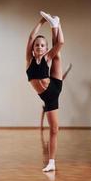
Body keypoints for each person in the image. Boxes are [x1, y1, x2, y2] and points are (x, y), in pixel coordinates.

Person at [26, 11, 64, 172]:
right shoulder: (29, 61)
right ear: (33, 48)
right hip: (49, 98)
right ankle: (53, 23)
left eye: (42, 45)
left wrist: (56, 26)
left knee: (58, 54)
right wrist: (42, 21)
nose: (39, 47)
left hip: (54, 88)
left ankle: (56, 24)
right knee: (54, 129)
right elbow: (30, 38)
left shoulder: (47, 58)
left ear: (46, 48)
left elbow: (60, 43)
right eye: (37, 45)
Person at [40, 63, 72, 130]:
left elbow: (62, 77)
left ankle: (52, 126)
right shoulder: (47, 82)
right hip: (48, 99)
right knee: (48, 112)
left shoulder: (53, 82)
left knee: (52, 113)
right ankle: (45, 126)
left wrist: (68, 69)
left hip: (50, 98)